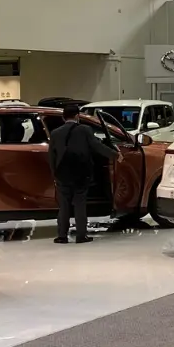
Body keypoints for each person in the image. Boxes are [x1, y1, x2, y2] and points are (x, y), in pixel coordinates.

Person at [47, 104, 118, 244]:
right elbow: (97, 146)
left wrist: (54, 173)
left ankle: (62, 236)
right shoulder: (85, 130)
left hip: (62, 174)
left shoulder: (55, 133)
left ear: (63, 117)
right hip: (81, 173)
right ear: (77, 116)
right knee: (80, 204)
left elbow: (51, 157)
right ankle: (81, 236)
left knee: (64, 206)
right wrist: (115, 155)